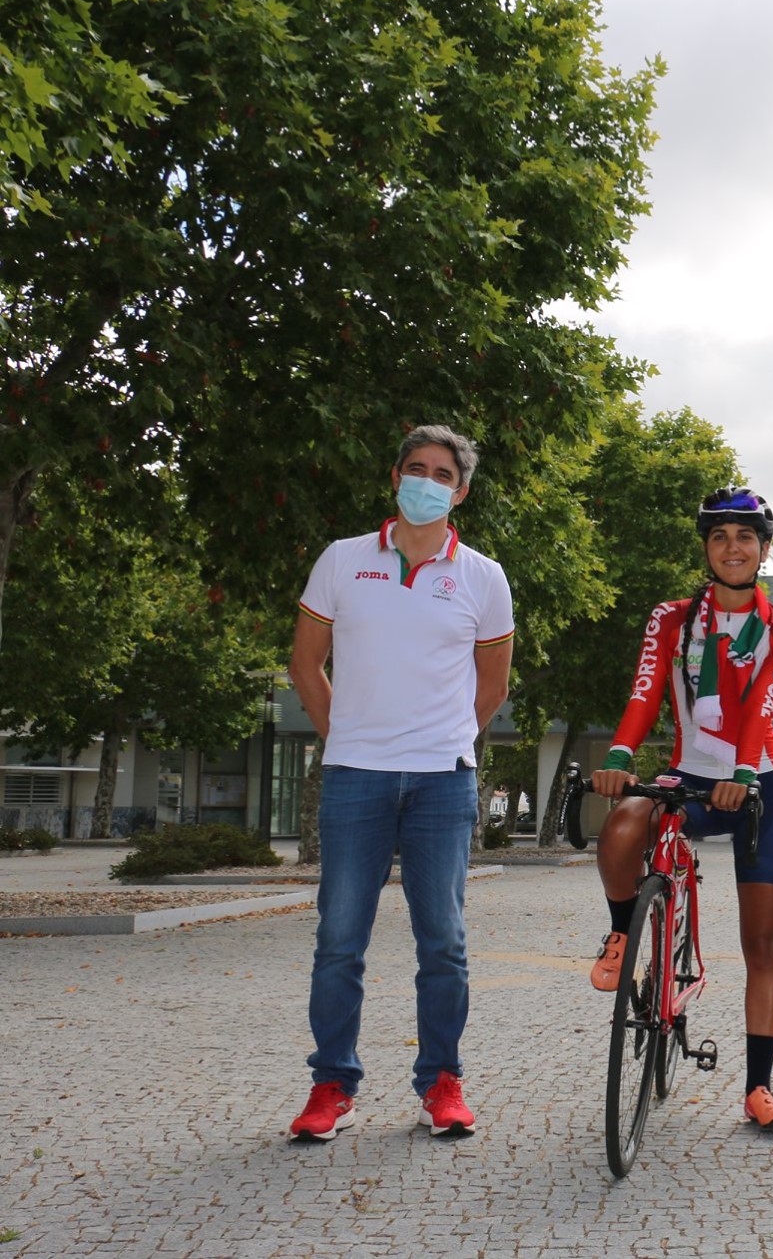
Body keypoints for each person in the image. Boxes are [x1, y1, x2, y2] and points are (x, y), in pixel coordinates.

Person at [287, 425, 514, 1141]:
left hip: (443, 782)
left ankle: (442, 1082)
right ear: (395, 476)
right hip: (355, 775)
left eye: (442, 473)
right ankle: (331, 1084)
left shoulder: (483, 576)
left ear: (461, 490)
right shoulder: (342, 560)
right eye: (415, 468)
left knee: (443, 940)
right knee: (339, 939)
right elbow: (305, 664)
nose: (427, 481)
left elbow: (493, 683)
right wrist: (344, 734)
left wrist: (446, 738)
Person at [586, 486, 773, 1131]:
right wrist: (621, 758)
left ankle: (759, 1088)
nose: (732, 547)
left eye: (745, 537)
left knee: (762, 943)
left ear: (763, 549)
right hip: (689, 776)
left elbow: (762, 701)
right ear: (707, 549)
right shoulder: (671, 618)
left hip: (759, 785)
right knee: (626, 820)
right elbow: (646, 689)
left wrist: (741, 774)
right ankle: (624, 929)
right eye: (719, 537)